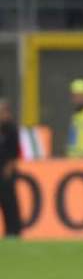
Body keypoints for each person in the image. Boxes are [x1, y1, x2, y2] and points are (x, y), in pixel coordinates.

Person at [0, 99, 19, 237]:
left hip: (6, 170)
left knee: (9, 201)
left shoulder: (11, 129)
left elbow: (14, 152)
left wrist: (9, 168)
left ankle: (13, 230)